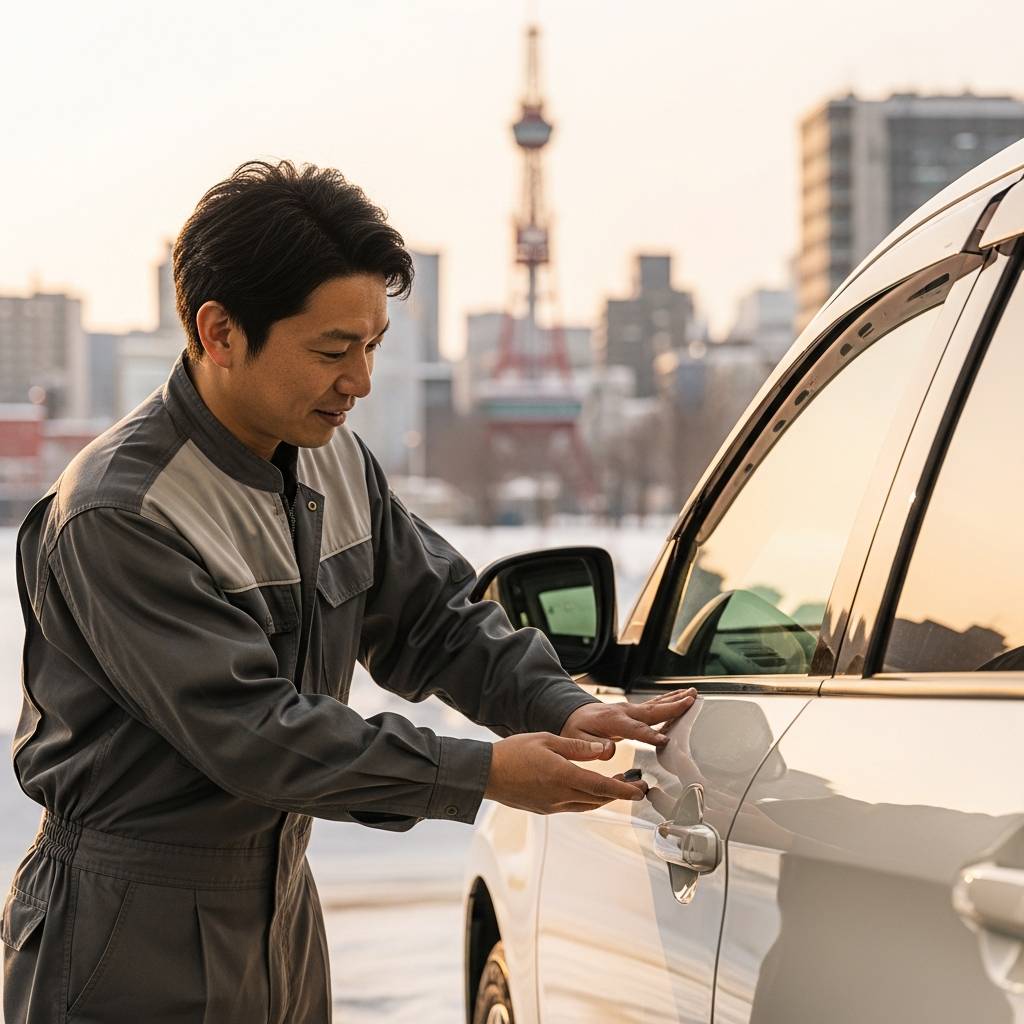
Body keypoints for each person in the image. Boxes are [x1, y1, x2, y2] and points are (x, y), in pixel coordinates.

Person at [1, 160, 697, 1024]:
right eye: (333, 351)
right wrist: (482, 773)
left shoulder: (330, 456)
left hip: (281, 906)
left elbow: (436, 618)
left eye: (372, 348)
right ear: (219, 332)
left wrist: (554, 705)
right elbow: (257, 736)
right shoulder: (123, 512)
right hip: (125, 930)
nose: (360, 382)